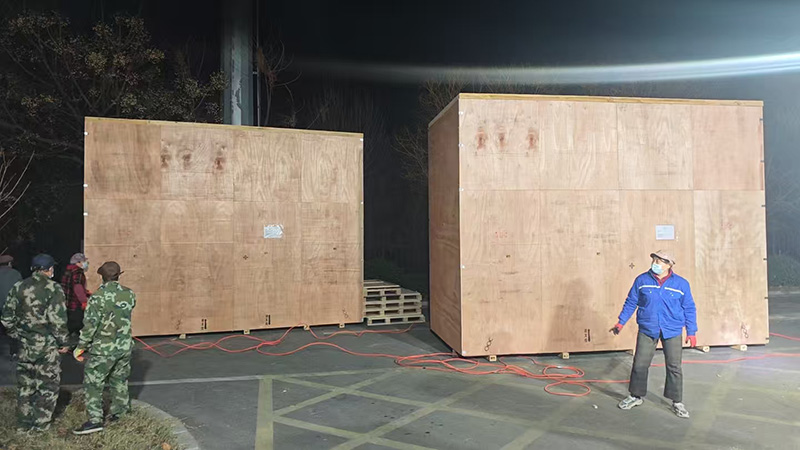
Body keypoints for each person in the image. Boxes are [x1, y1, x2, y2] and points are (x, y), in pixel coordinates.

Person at [610, 250, 697, 419]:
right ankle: (635, 396)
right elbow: (631, 302)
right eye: (654, 260)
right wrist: (621, 321)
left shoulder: (681, 284)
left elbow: (689, 308)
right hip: (648, 328)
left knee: (674, 366)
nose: (655, 264)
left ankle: (677, 401)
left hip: (672, 329)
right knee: (639, 364)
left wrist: (691, 331)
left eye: (660, 261)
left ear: (669, 265)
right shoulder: (642, 280)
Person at [0, 253, 69, 432]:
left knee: (26, 386)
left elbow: (6, 318)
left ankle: (24, 424)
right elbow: (58, 321)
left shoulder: (19, 286)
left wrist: (16, 334)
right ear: (49, 269)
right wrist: (63, 342)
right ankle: (41, 426)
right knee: (47, 386)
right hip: (47, 348)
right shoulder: (54, 289)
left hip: (24, 346)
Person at [73, 261, 136, 435]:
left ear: (101, 276)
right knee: (119, 380)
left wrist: (81, 347)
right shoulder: (129, 294)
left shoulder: (97, 297)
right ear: (118, 275)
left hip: (103, 350)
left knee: (93, 383)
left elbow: (90, 325)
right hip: (124, 347)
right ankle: (121, 413)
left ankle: (95, 420)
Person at [60, 252, 91, 347]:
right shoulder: (78, 272)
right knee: (79, 325)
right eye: (84, 261)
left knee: (69, 325)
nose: (86, 263)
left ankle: (65, 343)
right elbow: (77, 287)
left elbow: (70, 286)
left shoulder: (67, 271)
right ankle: (78, 346)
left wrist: (86, 292)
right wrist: (84, 301)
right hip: (75, 304)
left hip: (67, 304)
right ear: (78, 262)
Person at [0, 254, 22, 357]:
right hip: (11, 306)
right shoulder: (15, 274)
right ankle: (13, 352)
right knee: (13, 329)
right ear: (10, 263)